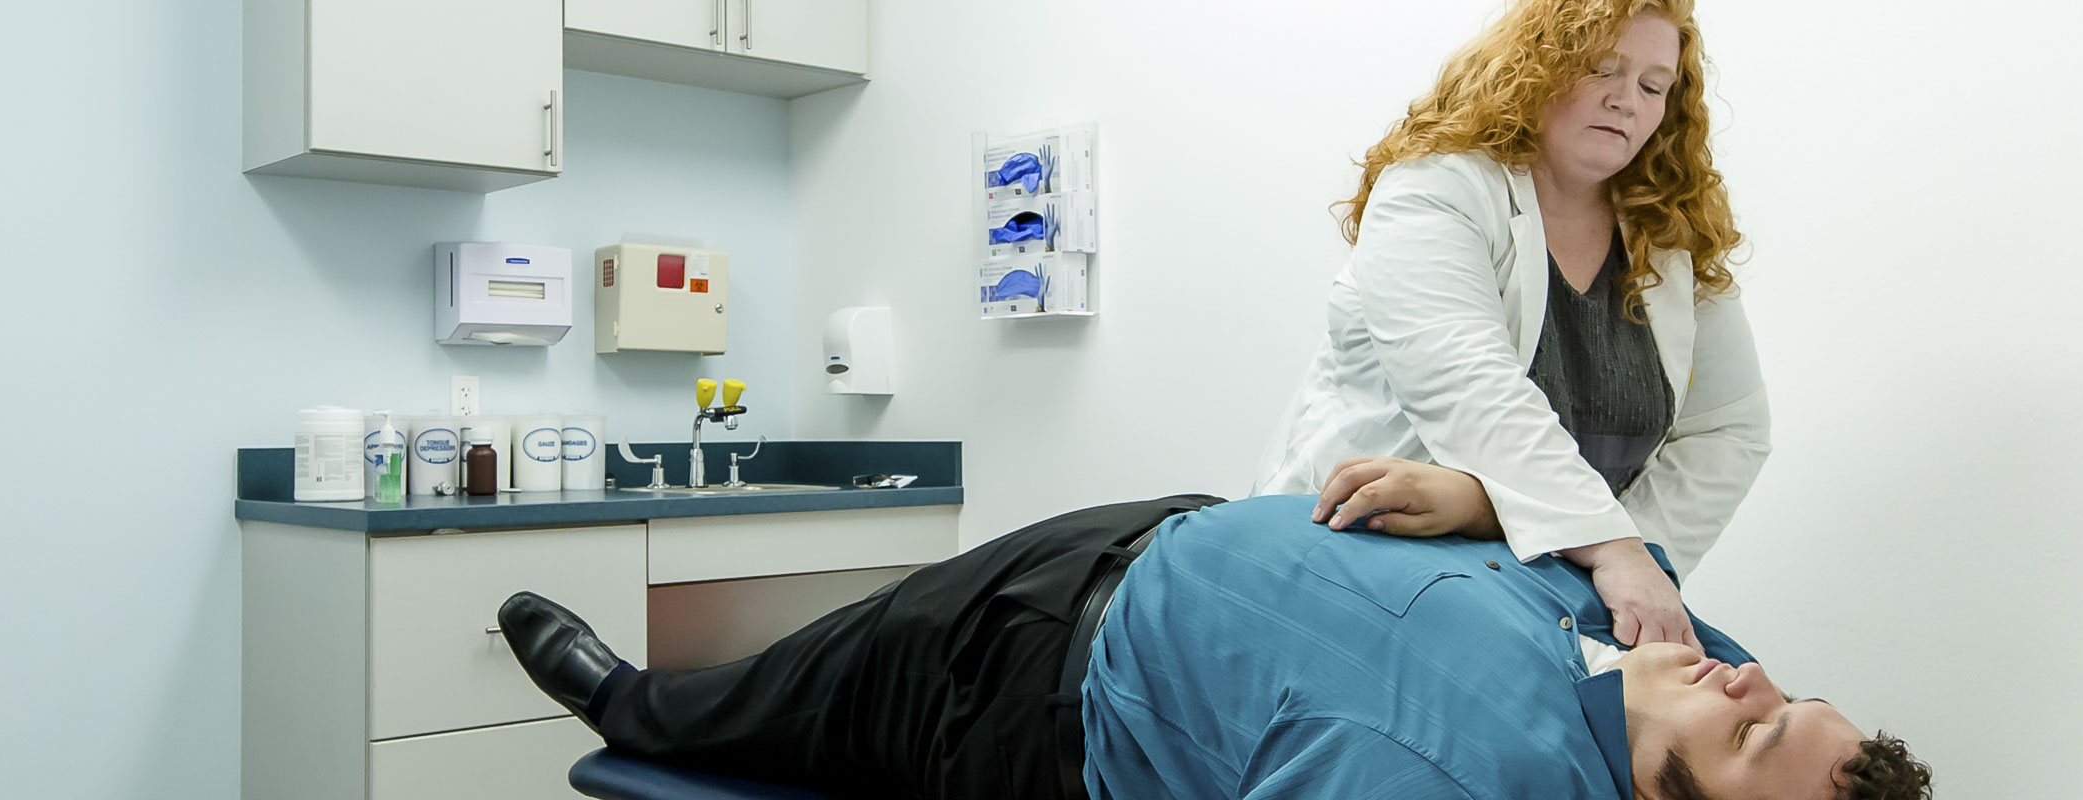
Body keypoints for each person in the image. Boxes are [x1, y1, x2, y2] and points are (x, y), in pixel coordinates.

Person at [494, 490, 1930, 800]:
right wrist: (1486, 493)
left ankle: (632, 705)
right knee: (821, 656)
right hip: (1151, 536)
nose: (1748, 679)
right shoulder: (1683, 655)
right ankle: (679, 698)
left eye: (1752, 732)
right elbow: (1607, 525)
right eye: (1784, 692)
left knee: (806, 702)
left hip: (1047, 684)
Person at [1260, 0, 1770, 654]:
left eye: (1652, 86)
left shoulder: (1670, 236)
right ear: (1535, 68)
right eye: (1601, 70)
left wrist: (1624, 557)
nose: (1627, 102)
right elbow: (1470, 388)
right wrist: (1609, 546)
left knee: (1740, 703)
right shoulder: (1435, 189)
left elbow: (1730, 428)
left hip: (1546, 588)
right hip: (1364, 562)